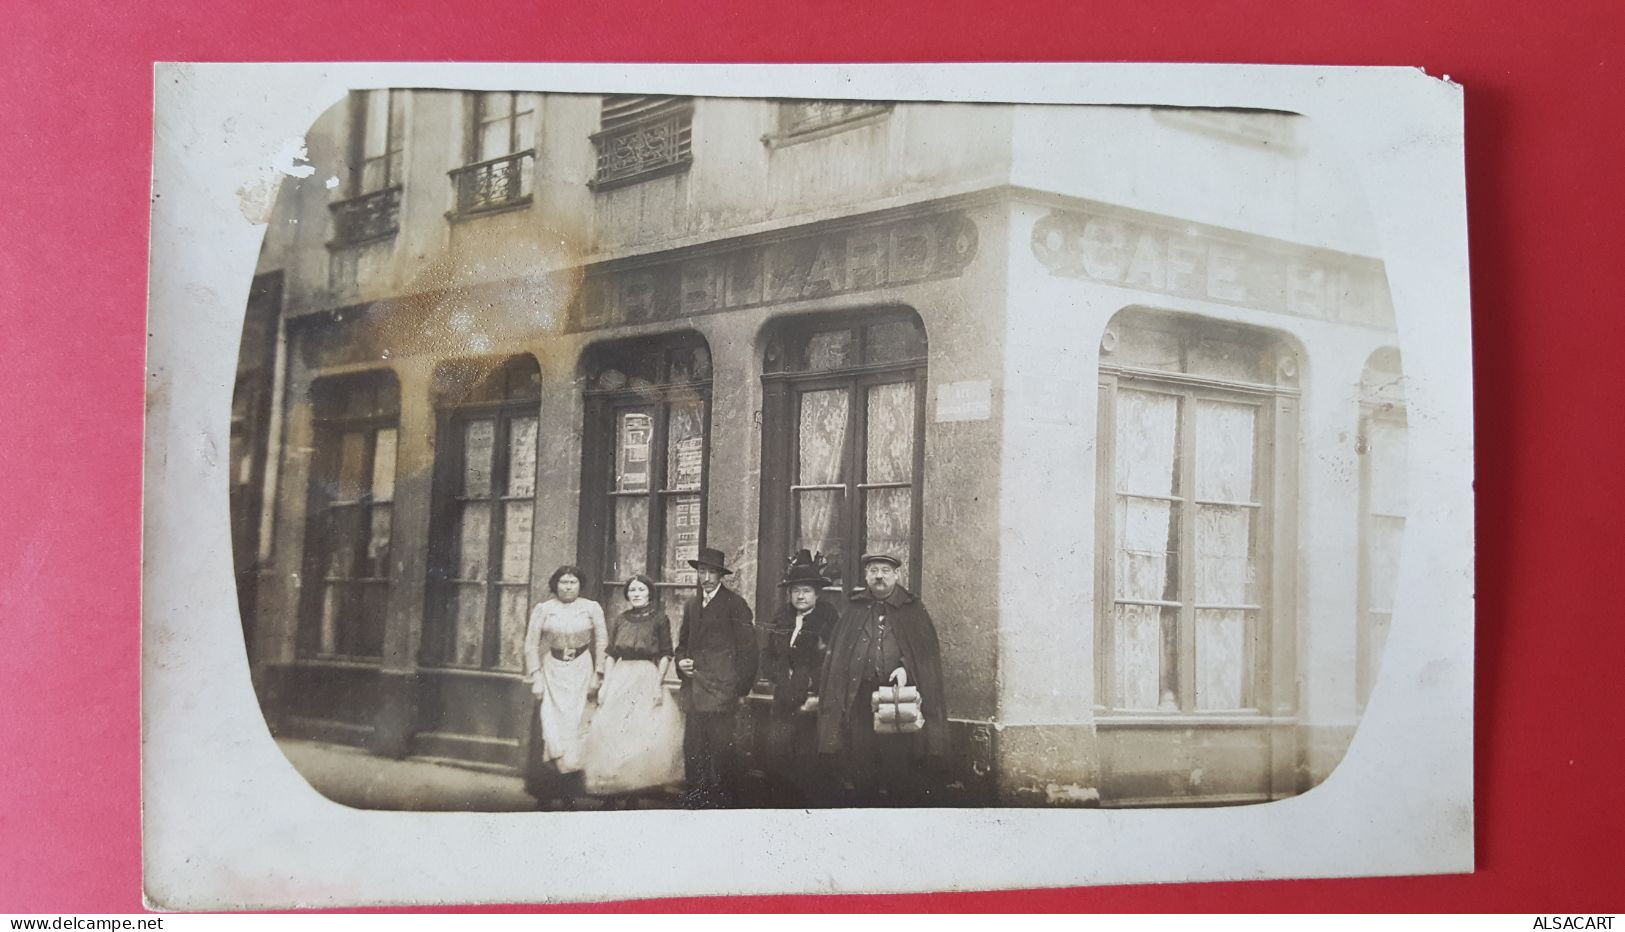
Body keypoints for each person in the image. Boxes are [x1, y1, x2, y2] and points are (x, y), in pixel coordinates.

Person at [817, 552, 947, 806]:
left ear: (896, 575)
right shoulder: (854, 608)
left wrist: (905, 669)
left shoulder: (912, 609)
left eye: (885, 571)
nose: (879, 576)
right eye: (874, 570)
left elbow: (923, 655)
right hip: (859, 696)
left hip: (898, 698)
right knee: (860, 755)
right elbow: (840, 653)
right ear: (866, 576)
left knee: (897, 758)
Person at [581, 574, 685, 806]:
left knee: (638, 735)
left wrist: (658, 685)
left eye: (641, 590)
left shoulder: (660, 619)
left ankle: (632, 795)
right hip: (621, 676)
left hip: (646, 677)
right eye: (633, 590)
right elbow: (611, 654)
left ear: (649, 593)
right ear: (627, 594)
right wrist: (606, 684)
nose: (636, 594)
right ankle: (611, 793)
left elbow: (666, 653)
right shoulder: (620, 619)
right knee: (611, 732)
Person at [673, 546, 756, 808]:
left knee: (722, 750)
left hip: (722, 692)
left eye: (711, 572)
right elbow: (682, 644)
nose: (706, 577)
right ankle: (695, 799)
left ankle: (722, 803)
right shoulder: (692, 604)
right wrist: (680, 663)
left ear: (721, 575)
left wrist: (739, 689)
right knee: (694, 748)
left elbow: (749, 651)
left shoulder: (735, 604)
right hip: (694, 691)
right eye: (702, 571)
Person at [757, 550, 837, 805]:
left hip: (813, 701)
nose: (800, 596)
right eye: (795, 591)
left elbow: (832, 661)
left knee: (808, 761)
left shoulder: (828, 619)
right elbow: (767, 654)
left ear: (817, 593)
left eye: (806, 590)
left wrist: (811, 684)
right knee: (778, 756)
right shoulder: (782, 617)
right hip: (783, 699)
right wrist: (779, 675)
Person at [522, 565, 607, 808]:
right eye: (563, 582)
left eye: (572, 582)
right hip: (552, 672)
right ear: (555, 584)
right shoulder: (544, 610)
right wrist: (536, 676)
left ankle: (570, 793)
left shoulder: (591, 608)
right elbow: (530, 644)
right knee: (551, 730)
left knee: (576, 729)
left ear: (580, 585)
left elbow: (603, 641)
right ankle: (546, 793)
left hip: (581, 670)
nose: (568, 586)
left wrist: (598, 674)